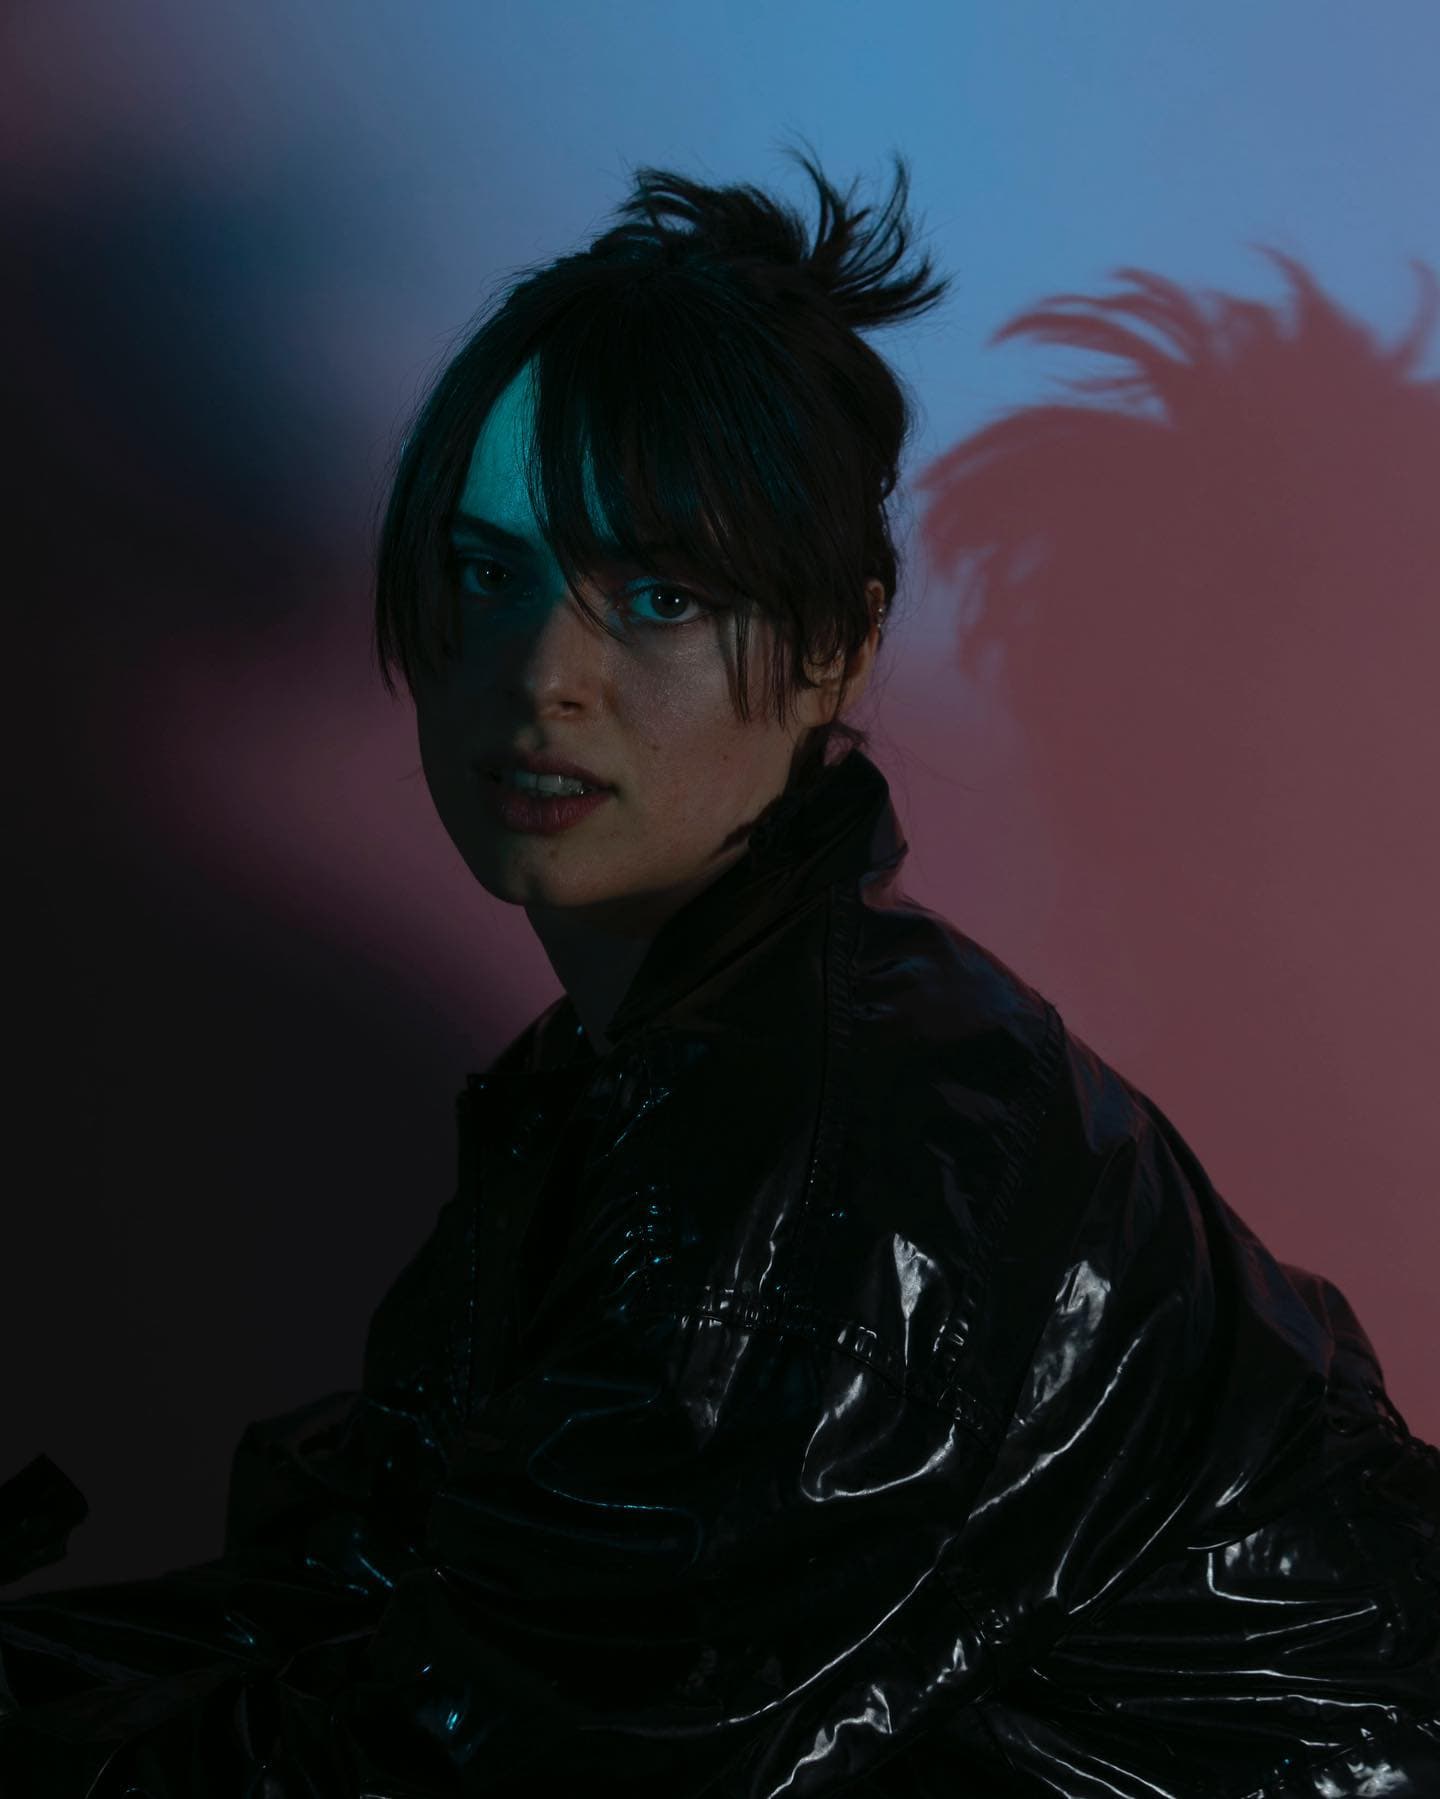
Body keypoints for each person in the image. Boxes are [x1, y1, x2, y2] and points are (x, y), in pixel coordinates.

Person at [2, 138, 1437, 1798]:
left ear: (837, 645)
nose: (544, 675)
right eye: (487, 572)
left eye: (660, 596)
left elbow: (481, 1768)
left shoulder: (827, 1155)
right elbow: (378, 1605)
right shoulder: (647, 1068)